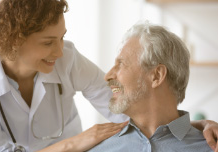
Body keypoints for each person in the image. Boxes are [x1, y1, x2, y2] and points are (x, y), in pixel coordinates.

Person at [0, 0, 217, 151]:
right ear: (15, 42)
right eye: (49, 42)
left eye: (62, 37)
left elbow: (127, 104)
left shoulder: (67, 58)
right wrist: (74, 145)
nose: (60, 51)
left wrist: (185, 127)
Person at [88, 22, 217, 152]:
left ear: (156, 75)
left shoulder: (210, 147)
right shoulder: (97, 148)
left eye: (121, 64)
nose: (108, 76)